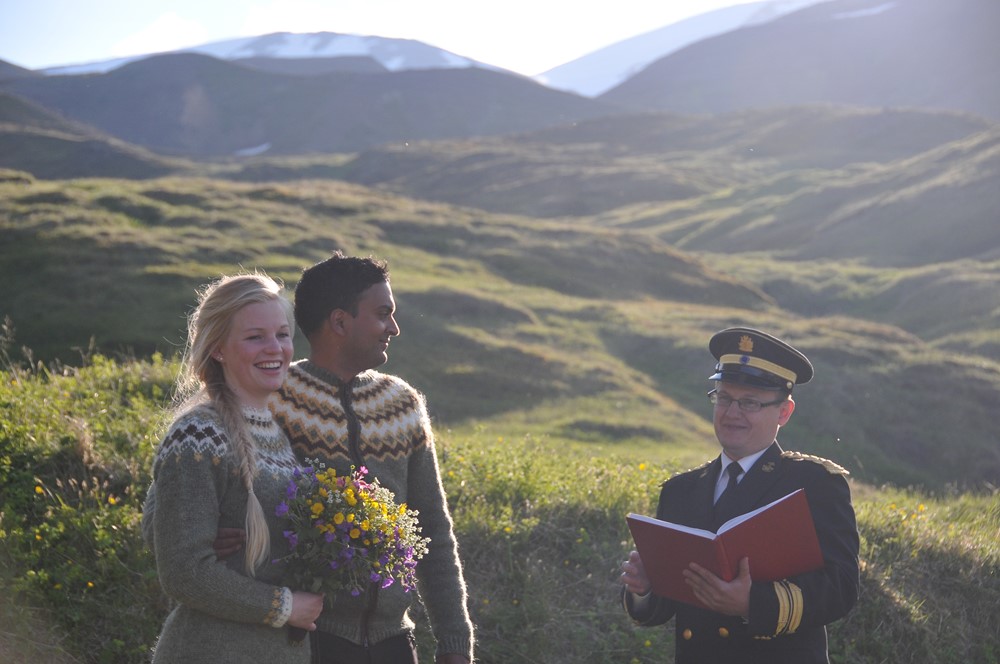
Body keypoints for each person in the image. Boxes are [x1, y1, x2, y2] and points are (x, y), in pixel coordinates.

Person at [620, 326, 859, 664]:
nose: (732, 413)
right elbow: (664, 607)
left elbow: (841, 586)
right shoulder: (680, 491)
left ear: (784, 412)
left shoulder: (813, 484)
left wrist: (752, 603)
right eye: (724, 398)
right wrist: (645, 586)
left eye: (749, 402)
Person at [146, 273, 325, 663]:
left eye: (282, 334)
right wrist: (283, 606)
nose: (275, 348)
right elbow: (183, 572)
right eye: (255, 337)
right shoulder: (199, 433)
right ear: (218, 349)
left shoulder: (279, 433)